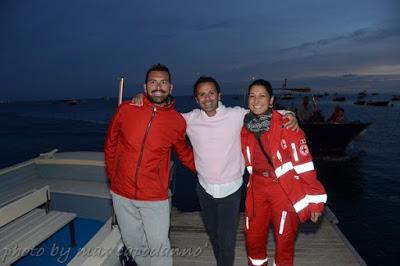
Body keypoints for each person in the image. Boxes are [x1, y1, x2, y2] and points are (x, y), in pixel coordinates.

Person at [131, 76, 299, 266]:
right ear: (196, 99)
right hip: (204, 191)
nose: (207, 98)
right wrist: (144, 99)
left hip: (232, 190)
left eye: (211, 93)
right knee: (215, 238)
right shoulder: (190, 119)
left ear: (219, 95)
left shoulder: (236, 116)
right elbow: (162, 118)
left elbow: (265, 112)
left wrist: (290, 114)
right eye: (202, 94)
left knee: (227, 243)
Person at [104, 64, 196, 266]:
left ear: (170, 87)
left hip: (154, 196)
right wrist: (113, 177)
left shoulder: (176, 121)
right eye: (153, 82)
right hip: (122, 193)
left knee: (159, 247)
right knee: (134, 243)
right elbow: (110, 144)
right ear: (145, 87)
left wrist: (211, 171)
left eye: (163, 82)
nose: (158, 87)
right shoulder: (126, 110)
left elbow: (185, 154)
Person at [240, 79, 327, 266]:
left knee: (284, 241)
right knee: (253, 238)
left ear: (271, 100)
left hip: (284, 191)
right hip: (256, 189)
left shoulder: (287, 125)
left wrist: (315, 203)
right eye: (252, 96)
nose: (256, 100)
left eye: (262, 96)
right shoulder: (246, 127)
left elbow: (305, 166)